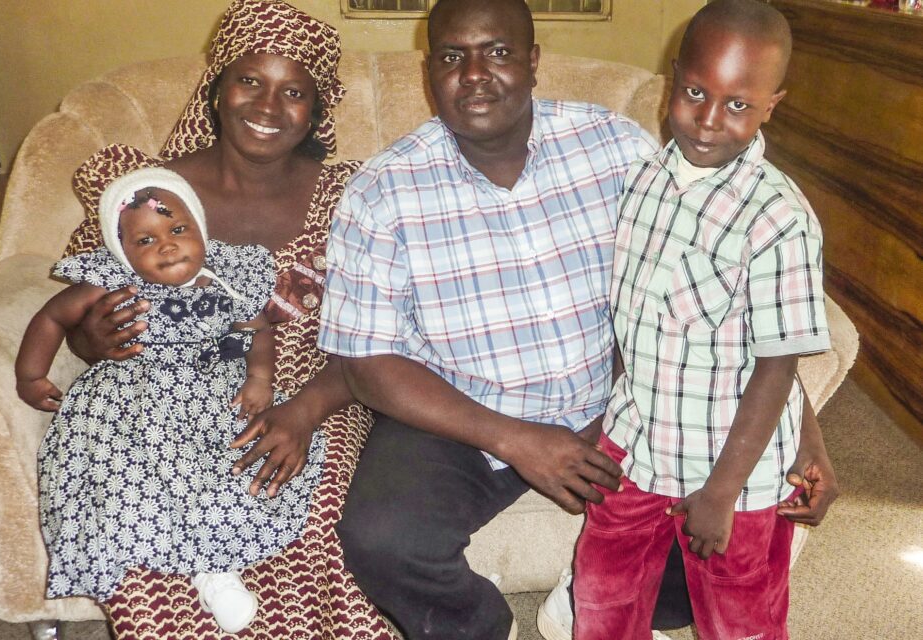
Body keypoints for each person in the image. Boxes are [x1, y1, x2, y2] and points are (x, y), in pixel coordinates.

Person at [318, 1, 838, 639]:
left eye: (498, 52)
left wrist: (806, 439)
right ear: (430, 70)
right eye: (453, 56)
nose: (475, 73)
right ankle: (482, 629)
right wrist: (515, 439)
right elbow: (366, 364)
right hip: (463, 410)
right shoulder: (380, 191)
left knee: (715, 550)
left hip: (621, 404)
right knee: (381, 538)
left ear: (533, 61)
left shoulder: (616, 148)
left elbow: (729, 308)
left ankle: (581, 598)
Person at [63, 1, 396, 637]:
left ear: (317, 109)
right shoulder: (147, 195)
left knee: (312, 509)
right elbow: (84, 306)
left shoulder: (352, 195)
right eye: (249, 81)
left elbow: (384, 329)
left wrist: (304, 413)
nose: (268, 106)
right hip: (158, 395)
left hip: (319, 391)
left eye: (293, 91)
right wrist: (91, 339)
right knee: (140, 504)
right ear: (217, 90)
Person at [571, 2, 832, 638]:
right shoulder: (643, 183)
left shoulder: (779, 220)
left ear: (771, 105)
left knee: (739, 617)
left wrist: (721, 492)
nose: (709, 119)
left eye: (738, 104)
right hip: (635, 447)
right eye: (695, 92)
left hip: (733, 476)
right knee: (602, 592)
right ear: (674, 77)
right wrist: (604, 415)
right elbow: (633, 320)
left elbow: (776, 364)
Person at [16, 167, 325, 634]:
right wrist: (30, 375)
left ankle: (214, 556)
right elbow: (51, 318)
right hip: (134, 398)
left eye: (178, 229)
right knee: (132, 471)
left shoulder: (226, 277)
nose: (166, 245)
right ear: (121, 250)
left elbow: (256, 328)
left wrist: (260, 378)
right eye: (145, 240)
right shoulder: (110, 283)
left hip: (214, 392)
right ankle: (203, 568)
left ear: (199, 227)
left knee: (233, 463)